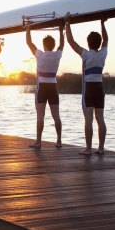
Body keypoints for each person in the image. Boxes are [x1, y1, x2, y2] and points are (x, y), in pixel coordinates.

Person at [65, 13, 108, 155]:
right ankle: (101, 148)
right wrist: (102, 23)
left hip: (89, 89)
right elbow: (106, 39)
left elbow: (71, 41)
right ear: (99, 43)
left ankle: (89, 149)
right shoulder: (102, 54)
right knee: (100, 118)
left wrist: (67, 23)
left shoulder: (86, 55)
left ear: (88, 43)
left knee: (88, 119)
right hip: (100, 88)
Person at [25, 20, 64, 149]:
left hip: (42, 86)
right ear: (53, 45)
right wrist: (60, 30)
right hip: (53, 86)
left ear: (44, 45)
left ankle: (39, 142)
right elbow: (62, 44)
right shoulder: (57, 55)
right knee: (56, 115)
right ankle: (59, 141)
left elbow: (29, 43)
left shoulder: (40, 55)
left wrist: (28, 28)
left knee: (40, 115)